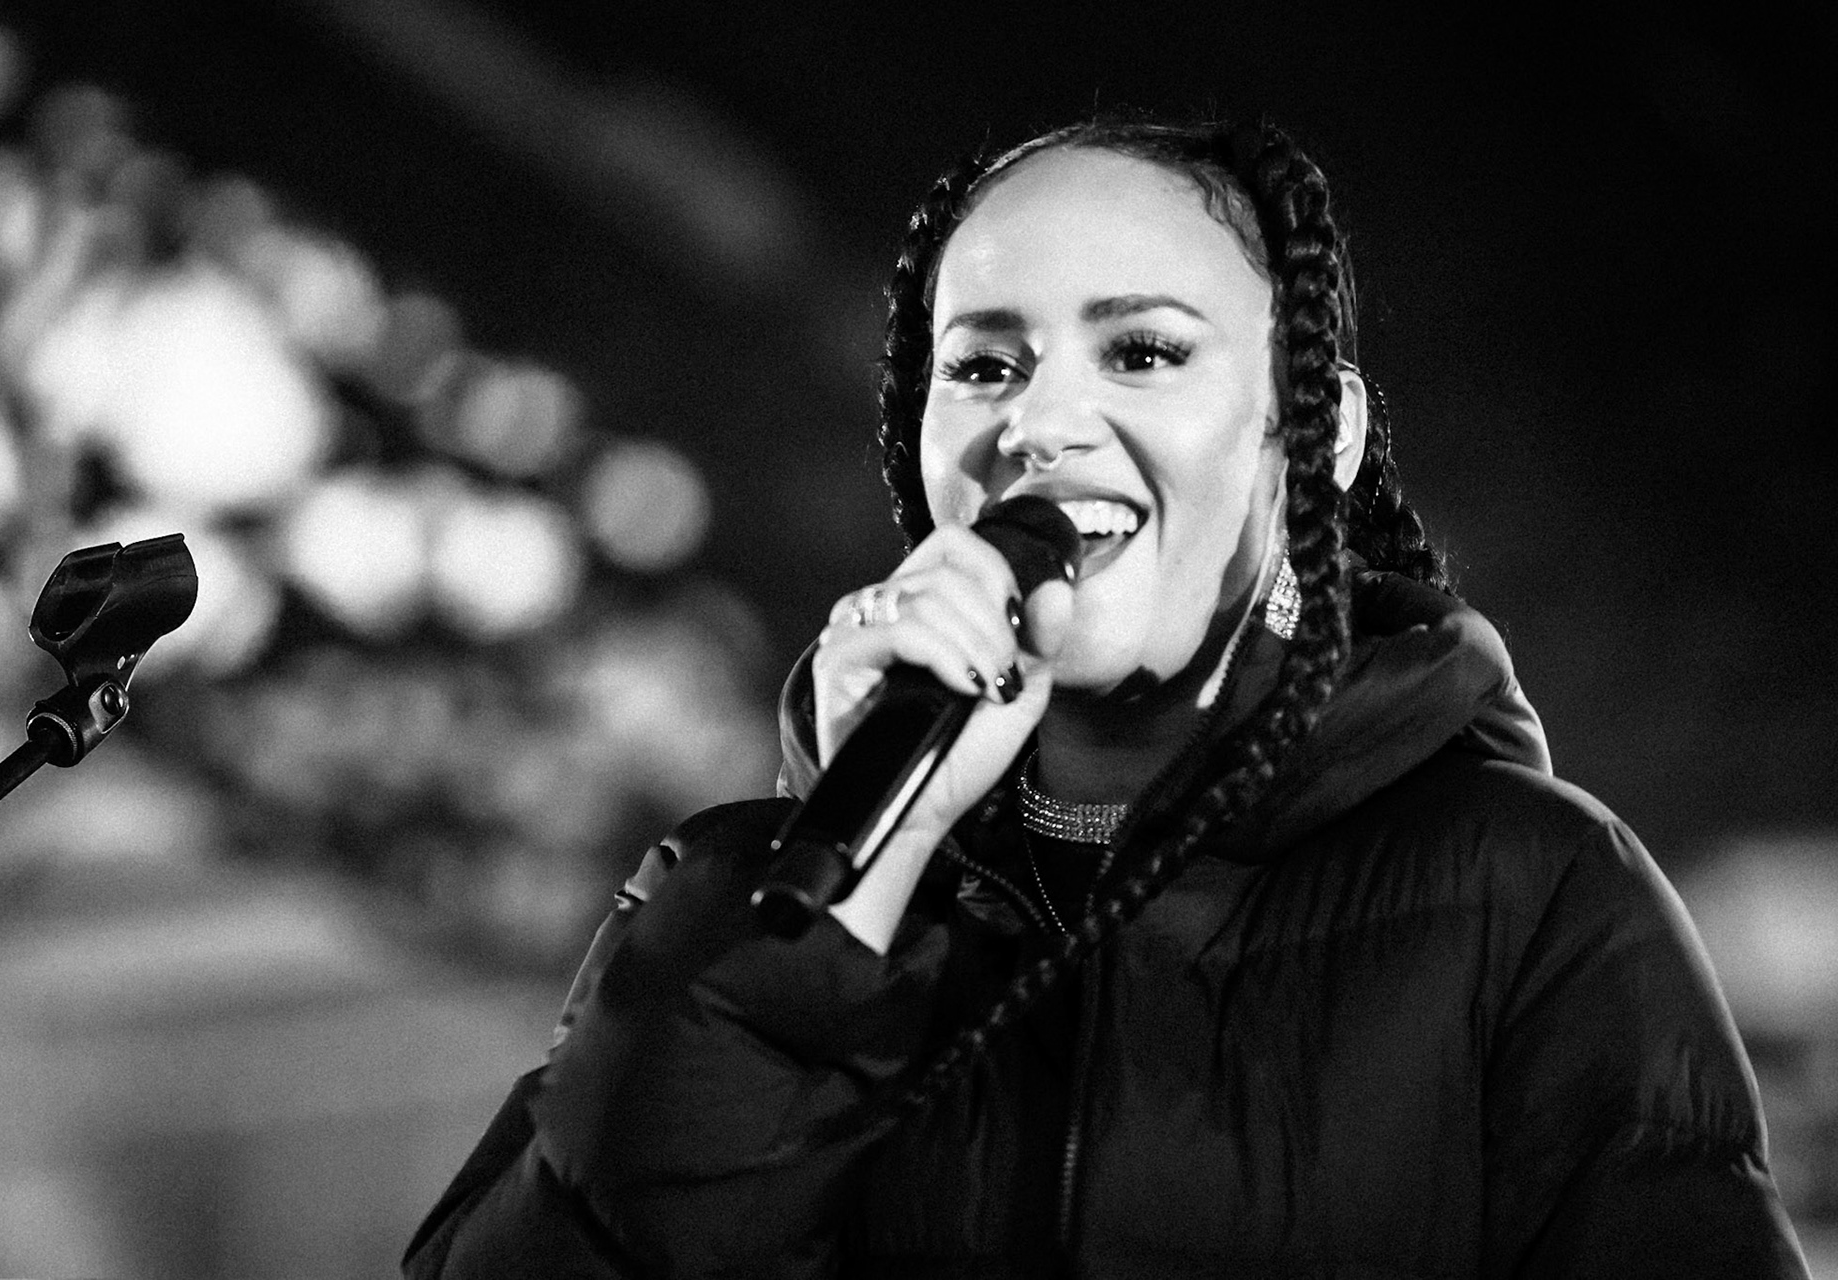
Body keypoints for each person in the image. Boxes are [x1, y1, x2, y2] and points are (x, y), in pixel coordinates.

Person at [403, 116, 1812, 1277]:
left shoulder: (1530, 892)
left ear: (1311, 440)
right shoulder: (744, 902)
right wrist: (826, 922)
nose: (1041, 422)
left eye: (1143, 351)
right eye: (984, 366)